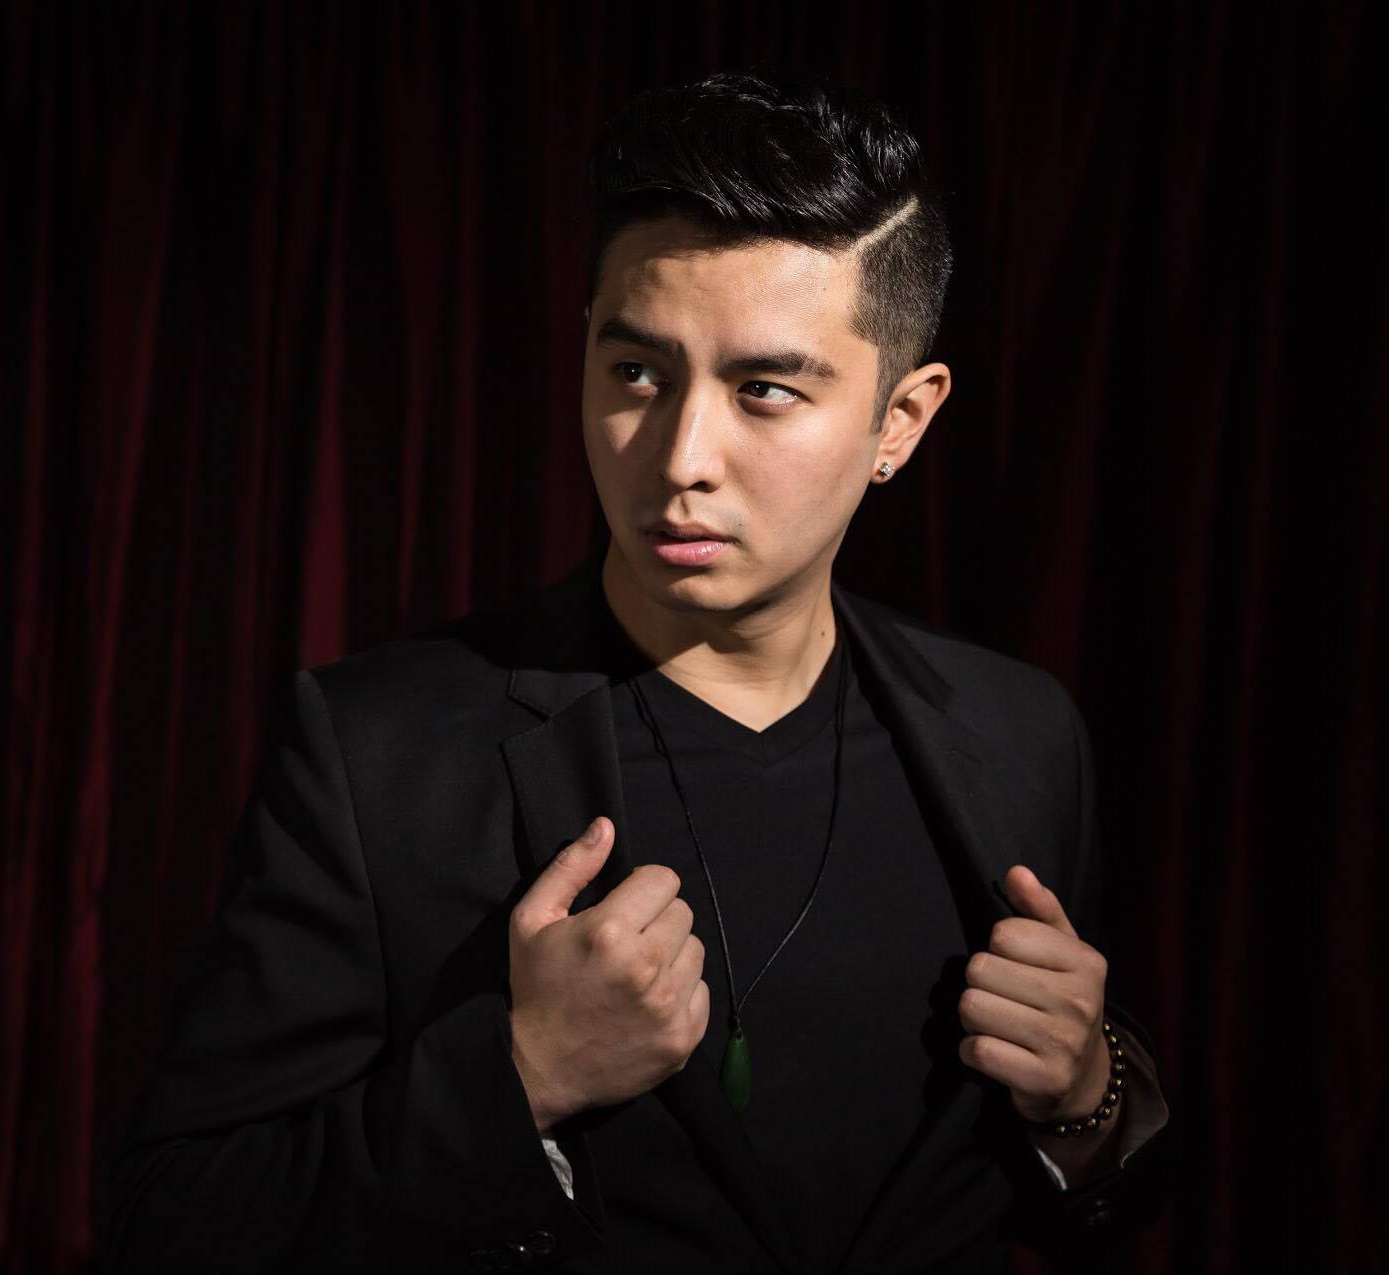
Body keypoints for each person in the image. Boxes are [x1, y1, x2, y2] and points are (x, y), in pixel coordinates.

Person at [101, 68, 1175, 1274]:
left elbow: (1092, 1201)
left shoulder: (1019, 735)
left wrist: (1084, 1101)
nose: (679, 457)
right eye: (637, 374)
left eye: (763, 390)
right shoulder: (378, 752)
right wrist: (522, 1079)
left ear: (900, 422)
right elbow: (172, 1221)